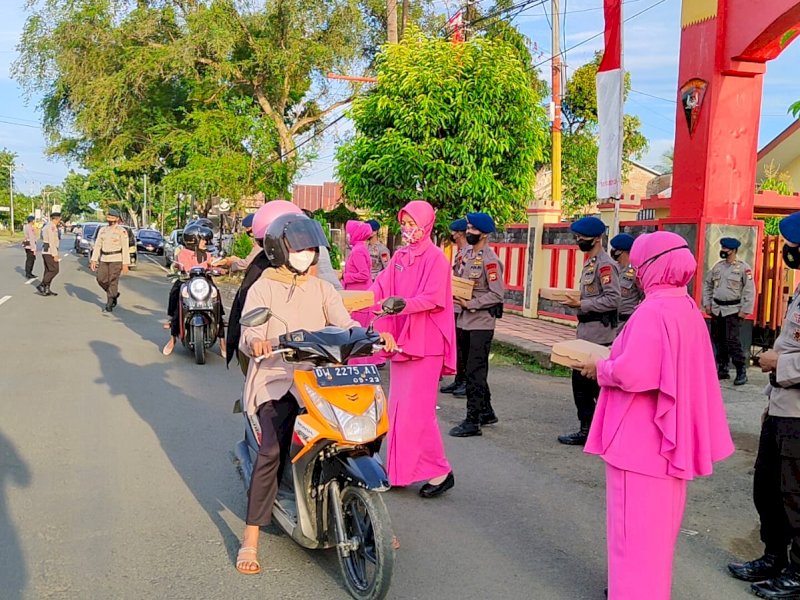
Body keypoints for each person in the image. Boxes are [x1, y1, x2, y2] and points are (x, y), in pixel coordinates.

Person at [235, 212, 396, 575]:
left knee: (363, 429)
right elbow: (248, 332)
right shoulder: (264, 286)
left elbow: (345, 322)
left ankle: (372, 518)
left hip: (321, 377)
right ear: (281, 250)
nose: (307, 255)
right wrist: (257, 342)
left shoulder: (322, 288)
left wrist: (370, 336)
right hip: (278, 376)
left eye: (312, 248)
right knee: (272, 448)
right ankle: (251, 535)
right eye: (300, 248)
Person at [577, 231, 734, 600]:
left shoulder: (652, 310)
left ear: (651, 265)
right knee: (656, 538)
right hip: (669, 441)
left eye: (637, 264)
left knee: (631, 536)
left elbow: (634, 373)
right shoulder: (687, 307)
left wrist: (600, 367)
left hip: (639, 442)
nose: (633, 271)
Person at [727, 211, 800, 599]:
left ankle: (798, 574)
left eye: (792, 243)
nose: (788, 249)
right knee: (768, 488)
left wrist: (779, 363)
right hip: (780, 407)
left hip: (799, 416)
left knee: (796, 495)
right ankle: (774, 556)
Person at [370, 200, 456, 497]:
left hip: (426, 342)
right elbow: (380, 287)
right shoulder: (400, 256)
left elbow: (434, 298)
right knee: (398, 411)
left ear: (426, 225)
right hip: (402, 340)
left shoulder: (437, 259)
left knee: (416, 412)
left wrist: (402, 305)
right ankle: (399, 472)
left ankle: (440, 471)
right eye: (404, 224)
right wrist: (349, 298)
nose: (407, 229)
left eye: (412, 224)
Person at [558, 216, 621, 446]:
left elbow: (614, 299)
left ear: (597, 238)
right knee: (581, 386)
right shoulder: (591, 263)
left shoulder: (605, 265)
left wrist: (582, 305)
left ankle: (597, 431)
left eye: (582, 237)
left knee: (592, 386)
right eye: (577, 237)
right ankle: (590, 429)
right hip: (586, 331)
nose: (579, 241)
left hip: (599, 333)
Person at [227, 202, 304, 374]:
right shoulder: (263, 278)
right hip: (271, 352)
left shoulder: (316, 283)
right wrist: (255, 340)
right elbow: (251, 319)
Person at [449, 213, 505, 437]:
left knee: (475, 371)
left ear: (483, 233)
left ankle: (472, 420)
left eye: (472, 230)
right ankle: (487, 411)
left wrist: (472, 303)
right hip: (464, 319)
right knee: (474, 369)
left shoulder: (490, 260)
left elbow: (497, 294)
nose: (468, 232)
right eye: (468, 228)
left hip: (480, 322)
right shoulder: (466, 255)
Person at [162, 225, 225, 357]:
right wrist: (181, 271)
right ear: (194, 240)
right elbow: (181, 266)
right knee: (176, 293)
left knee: (216, 297)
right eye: (202, 239)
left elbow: (214, 264)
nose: (205, 242)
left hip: (204, 283)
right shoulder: (183, 253)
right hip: (187, 283)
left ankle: (222, 340)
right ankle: (173, 338)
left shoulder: (207, 254)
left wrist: (219, 269)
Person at [703, 237, 756, 385]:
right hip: (717, 309)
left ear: (733, 251)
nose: (723, 251)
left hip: (733, 310)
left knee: (733, 341)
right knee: (718, 340)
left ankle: (740, 370)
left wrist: (745, 310)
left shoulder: (743, 268)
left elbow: (749, 290)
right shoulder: (717, 267)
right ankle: (722, 368)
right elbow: (708, 285)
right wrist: (707, 304)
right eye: (722, 248)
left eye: (726, 249)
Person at [440, 218, 470, 396]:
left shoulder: (468, 253)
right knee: (458, 345)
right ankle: (459, 379)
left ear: (459, 233)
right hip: (456, 303)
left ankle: (464, 381)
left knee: (464, 346)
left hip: (464, 303)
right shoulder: (460, 252)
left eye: (453, 232)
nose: (451, 235)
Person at [89, 209, 131, 312]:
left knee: (113, 280)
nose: (110, 218)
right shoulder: (102, 230)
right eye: (109, 216)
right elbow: (98, 245)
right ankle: (113, 294)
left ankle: (109, 302)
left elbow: (125, 248)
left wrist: (125, 263)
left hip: (116, 258)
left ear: (117, 219)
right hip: (104, 258)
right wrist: (94, 260)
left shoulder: (122, 231)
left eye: (112, 217)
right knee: (100, 279)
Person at [300, 209, 343, 290]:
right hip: (332, 288)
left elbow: (311, 273)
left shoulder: (310, 246)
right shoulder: (318, 243)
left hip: (326, 291)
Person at [609, 233, 644, 327]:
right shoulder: (612, 268)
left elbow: (644, 298)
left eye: (614, 249)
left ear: (621, 251)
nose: (612, 251)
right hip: (609, 322)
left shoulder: (636, 272)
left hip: (626, 322)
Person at [37, 212, 62, 297]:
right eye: (59, 219)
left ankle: (46, 289)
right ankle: (42, 285)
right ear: (56, 219)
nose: (60, 220)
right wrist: (55, 254)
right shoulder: (51, 227)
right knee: (54, 270)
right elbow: (51, 241)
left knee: (48, 270)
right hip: (50, 251)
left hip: (47, 251)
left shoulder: (48, 226)